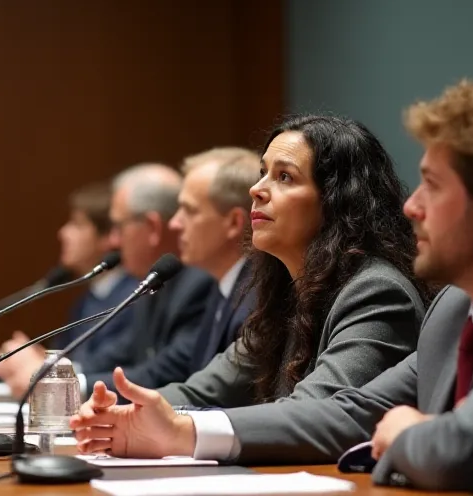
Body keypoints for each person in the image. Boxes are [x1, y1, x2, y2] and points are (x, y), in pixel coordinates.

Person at [69, 77, 473, 494]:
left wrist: (410, 432)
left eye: (432, 185)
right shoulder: (458, 307)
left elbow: (459, 450)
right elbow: (350, 412)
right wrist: (180, 430)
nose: (411, 206)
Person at [71, 114, 430, 424]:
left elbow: (314, 412)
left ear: (337, 201)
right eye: (262, 173)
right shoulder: (284, 294)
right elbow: (202, 389)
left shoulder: (377, 292)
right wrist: (120, 411)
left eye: (284, 177)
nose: (257, 189)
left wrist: (183, 429)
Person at [0, 163, 214, 397]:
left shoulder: (196, 286)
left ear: (153, 228)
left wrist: (58, 381)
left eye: (118, 226)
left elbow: (164, 373)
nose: (114, 241)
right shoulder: (152, 284)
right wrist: (51, 369)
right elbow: (122, 356)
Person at [0, 182, 138, 374]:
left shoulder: (133, 297)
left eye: (77, 224)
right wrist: (12, 360)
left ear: (109, 236)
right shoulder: (86, 300)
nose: (63, 233)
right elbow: (67, 357)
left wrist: (37, 364)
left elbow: (105, 367)